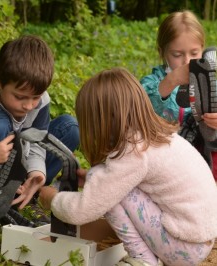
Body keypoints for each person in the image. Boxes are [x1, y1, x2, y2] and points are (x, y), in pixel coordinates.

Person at [39, 67, 217, 266]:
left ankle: (142, 260)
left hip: (184, 247)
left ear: (102, 122)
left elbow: (83, 210)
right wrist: (91, 176)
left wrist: (53, 199)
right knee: (108, 182)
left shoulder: (132, 151)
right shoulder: (154, 137)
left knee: (110, 194)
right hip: (198, 238)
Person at [0, 35, 79, 231]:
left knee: (70, 128)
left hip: (14, 175)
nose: (28, 105)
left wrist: (37, 172)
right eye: (20, 97)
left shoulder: (40, 99)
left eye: (35, 97)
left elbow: (37, 144)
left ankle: (26, 196)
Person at [140, 10, 217, 180]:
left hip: (199, 156)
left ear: (202, 50)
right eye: (177, 54)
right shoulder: (153, 82)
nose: (187, 61)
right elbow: (140, 107)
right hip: (162, 158)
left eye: (194, 53)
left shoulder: (208, 83)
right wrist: (171, 80)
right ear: (163, 52)